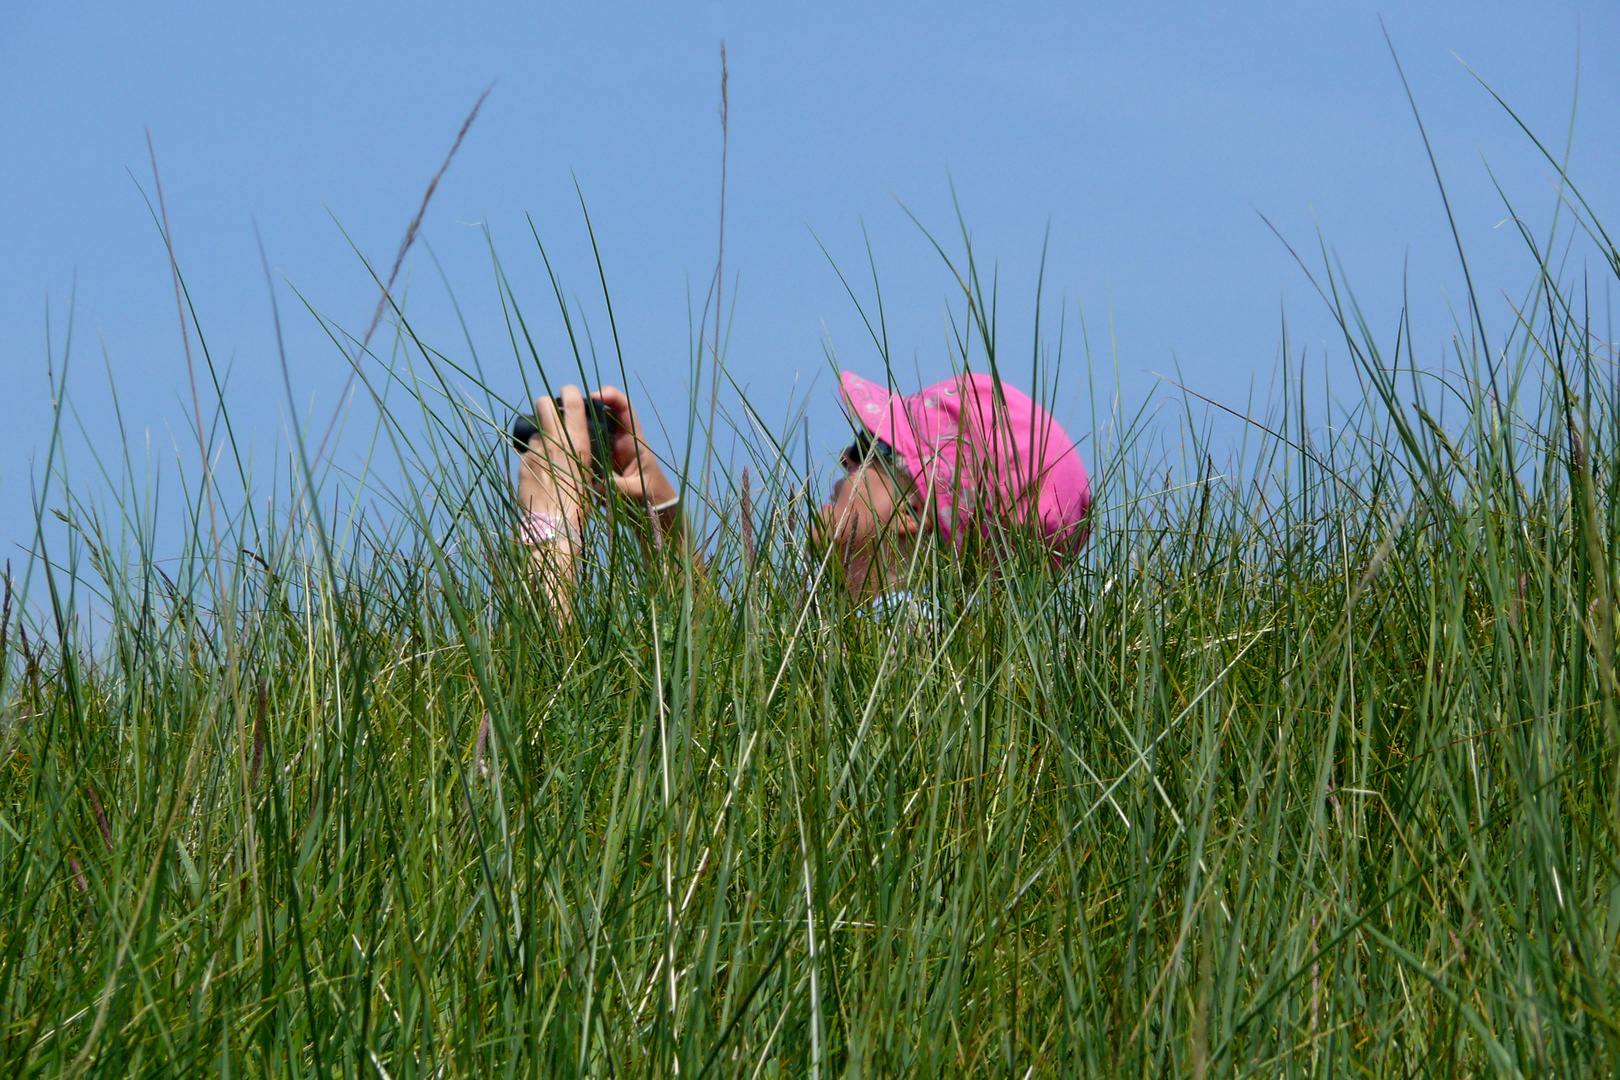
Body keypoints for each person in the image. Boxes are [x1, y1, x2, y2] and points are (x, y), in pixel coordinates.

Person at [515, 372, 1091, 617]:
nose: (844, 461)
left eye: (871, 449)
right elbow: (711, 691)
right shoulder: (894, 655)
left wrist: (554, 529)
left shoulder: (897, 649)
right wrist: (662, 525)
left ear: (918, 511)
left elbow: (523, 744)